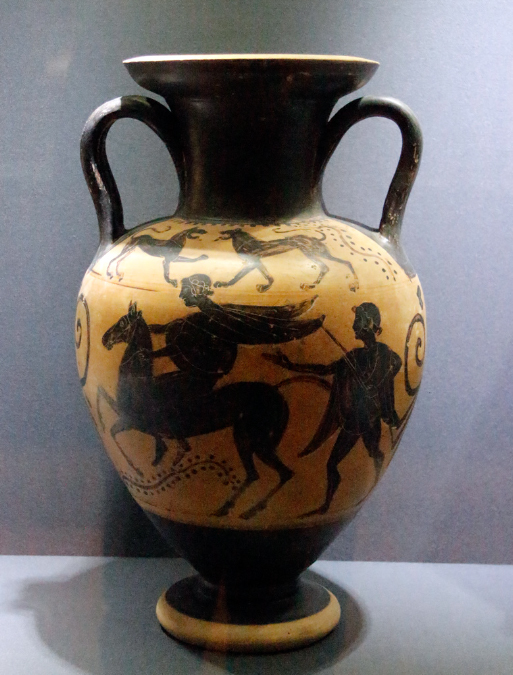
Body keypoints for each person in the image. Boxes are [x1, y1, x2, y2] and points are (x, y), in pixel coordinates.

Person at [266, 302, 401, 516]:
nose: (354, 326)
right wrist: (291, 365)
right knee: (338, 462)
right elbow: (324, 369)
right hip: (355, 420)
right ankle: (326, 505)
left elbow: (396, 365)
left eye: (358, 321)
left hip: (369, 417)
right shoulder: (353, 357)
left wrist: (380, 387)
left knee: (372, 452)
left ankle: (336, 502)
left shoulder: (384, 353)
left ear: (369, 323)